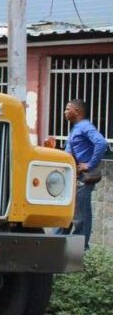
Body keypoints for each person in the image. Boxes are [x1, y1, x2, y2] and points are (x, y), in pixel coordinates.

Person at [58, 99, 107, 249]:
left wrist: (89, 164)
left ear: (77, 111)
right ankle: (58, 243)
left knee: (80, 215)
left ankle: (81, 248)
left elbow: (101, 143)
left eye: (68, 109)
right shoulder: (77, 127)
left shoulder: (85, 126)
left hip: (83, 178)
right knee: (67, 211)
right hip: (73, 176)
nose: (65, 112)